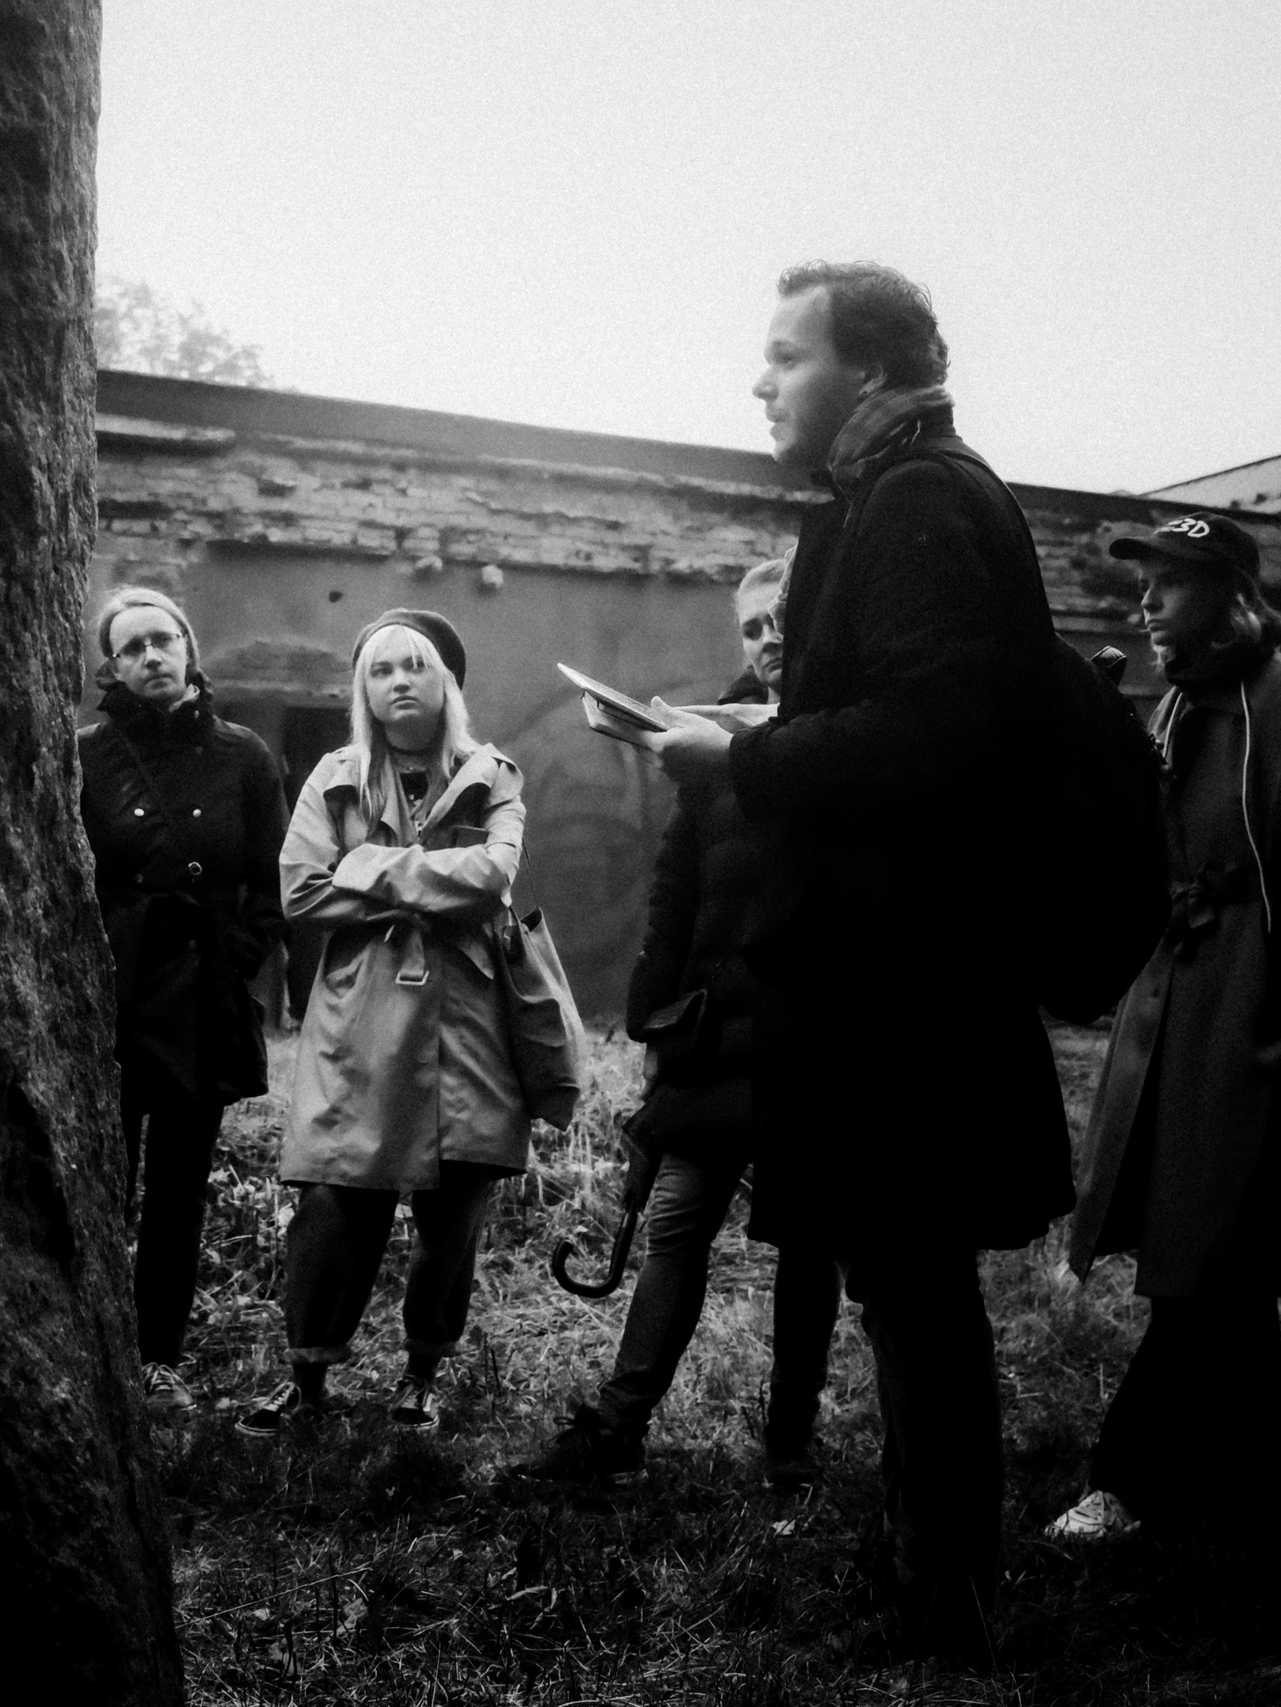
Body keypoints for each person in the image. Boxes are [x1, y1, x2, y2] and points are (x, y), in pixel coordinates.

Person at [635, 262, 1073, 1664]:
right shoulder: (891, 495)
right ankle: (927, 1575)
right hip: (890, 976)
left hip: (909, 989)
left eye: (784, 355)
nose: (758, 381)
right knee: (904, 1282)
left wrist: (738, 753)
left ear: (872, 371)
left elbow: (935, 732)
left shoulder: (925, 499)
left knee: (918, 1291)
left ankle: (942, 1603)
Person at [1045, 514, 1281, 1541]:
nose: (1147, 601)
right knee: (1210, 1248)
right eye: (1144, 583)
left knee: (1208, 1243)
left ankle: (1128, 1476)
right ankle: (1258, 1468)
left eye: (1173, 582)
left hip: (1254, 1009)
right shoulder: (1164, 711)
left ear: (1230, 593)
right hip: (1171, 1007)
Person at [509, 554, 843, 1493]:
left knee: (808, 1240)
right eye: (751, 627)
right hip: (711, 1032)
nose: (768, 640)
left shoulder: (848, 735)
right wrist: (656, 1017)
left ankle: (791, 1442)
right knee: (676, 1221)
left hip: (808, 1038)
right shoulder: (709, 739)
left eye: (784, 619)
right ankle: (616, 1430)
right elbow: (675, 892)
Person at [237, 610, 529, 1438]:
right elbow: (300, 890)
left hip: (467, 1023)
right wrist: (435, 878)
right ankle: (307, 1376)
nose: (400, 679)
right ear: (364, 691)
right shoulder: (334, 775)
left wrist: (364, 865)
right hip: (358, 1015)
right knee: (334, 1200)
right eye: (381, 669)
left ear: (446, 682)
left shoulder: (491, 771)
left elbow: (495, 872)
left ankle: (422, 1375)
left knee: (453, 1211)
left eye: (416, 665)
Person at [78, 586, 288, 1416]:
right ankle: (91, 1344)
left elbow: (277, 882)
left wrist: (233, 960)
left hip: (201, 997)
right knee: (102, 1176)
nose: (151, 657)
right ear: (113, 667)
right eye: (131, 648)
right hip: (109, 995)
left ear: (190, 649)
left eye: (162, 640)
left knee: (178, 1186)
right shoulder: (86, 753)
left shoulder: (245, 756)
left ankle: (157, 1358)